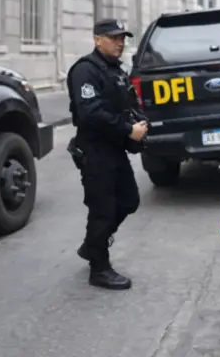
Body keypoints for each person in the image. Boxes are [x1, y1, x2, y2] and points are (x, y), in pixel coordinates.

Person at [67, 18, 148, 290]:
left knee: (129, 200)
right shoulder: (85, 70)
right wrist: (128, 130)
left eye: (122, 38)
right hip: (95, 151)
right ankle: (99, 268)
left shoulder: (116, 70)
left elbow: (127, 104)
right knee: (102, 210)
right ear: (97, 39)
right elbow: (90, 113)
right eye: (114, 38)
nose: (120, 43)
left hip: (114, 149)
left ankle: (93, 244)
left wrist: (140, 122)